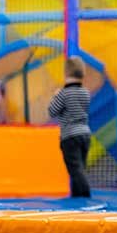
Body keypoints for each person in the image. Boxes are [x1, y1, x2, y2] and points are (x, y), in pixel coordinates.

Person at [47, 56, 92, 198]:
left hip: (70, 135)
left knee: (75, 168)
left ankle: (84, 193)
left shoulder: (64, 94)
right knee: (80, 167)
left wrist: (55, 96)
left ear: (66, 74)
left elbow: (52, 111)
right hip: (84, 133)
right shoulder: (85, 92)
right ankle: (77, 194)